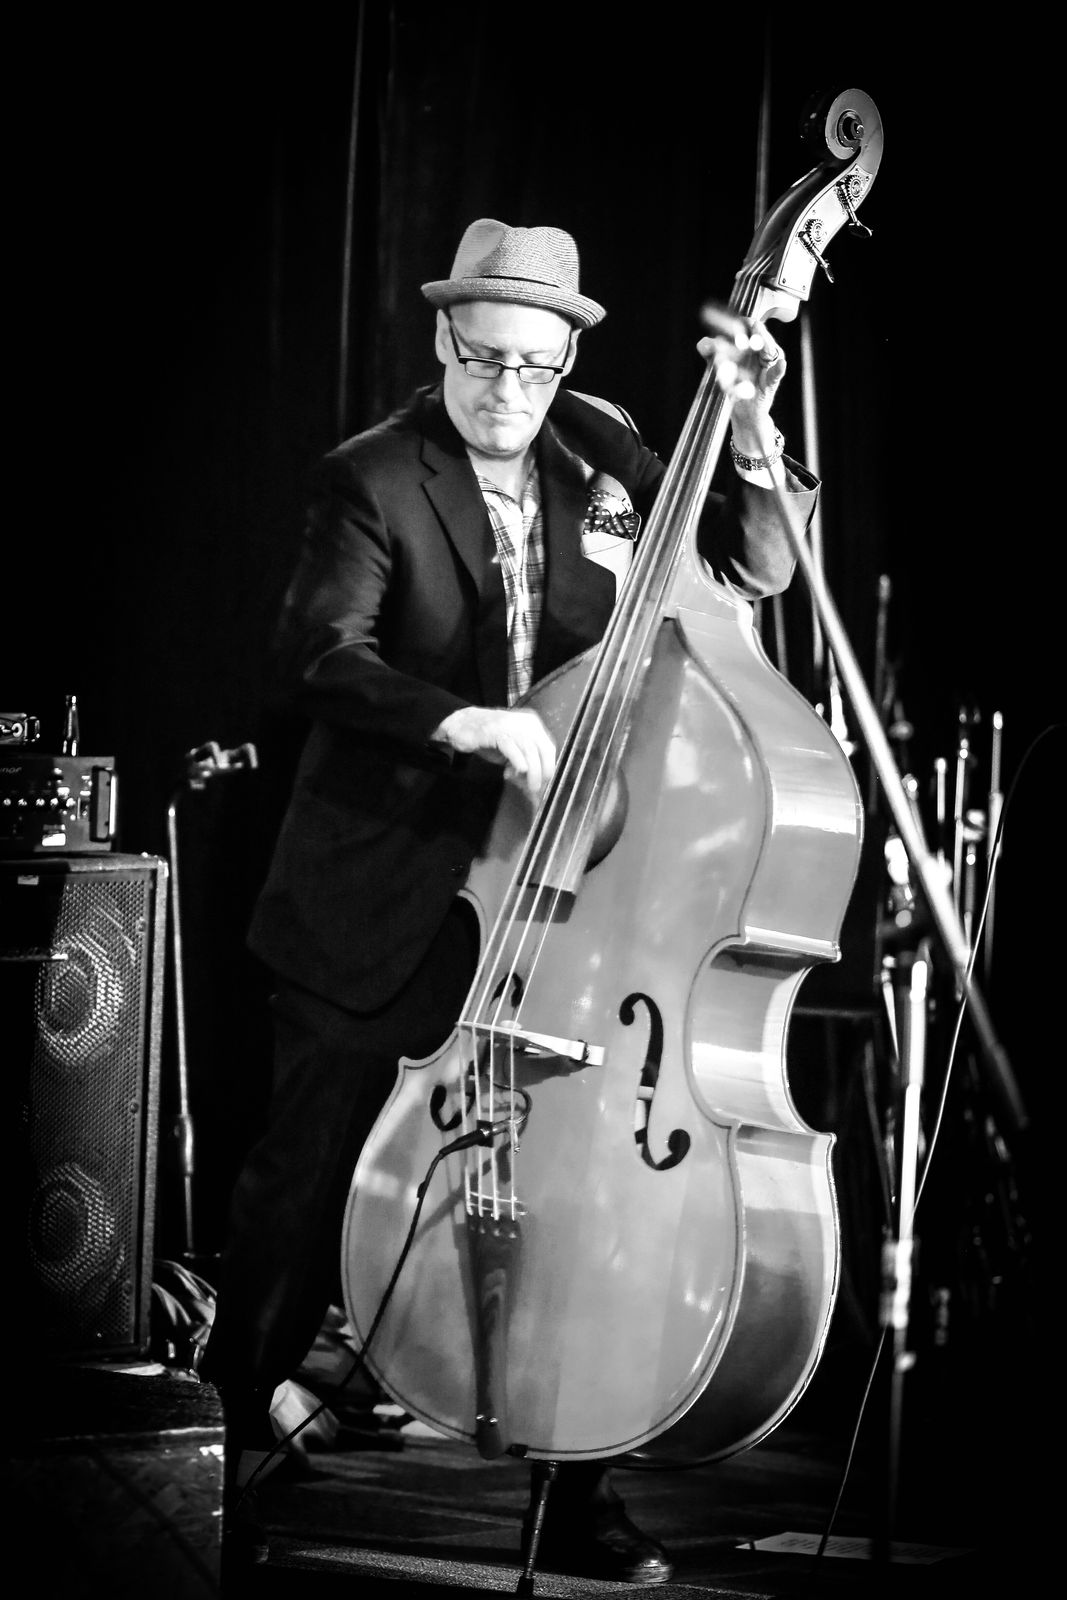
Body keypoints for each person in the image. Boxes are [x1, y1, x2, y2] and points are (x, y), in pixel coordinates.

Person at [201, 217, 819, 1586]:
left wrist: (754, 433)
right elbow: (321, 654)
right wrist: (463, 723)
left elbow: (758, 564)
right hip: (389, 889)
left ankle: (575, 1493)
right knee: (301, 1187)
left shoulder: (603, 449)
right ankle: (222, 1455)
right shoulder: (371, 476)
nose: (508, 391)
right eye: (484, 361)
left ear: (568, 361)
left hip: (560, 902)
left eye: (536, 368)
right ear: (443, 338)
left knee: (580, 1185)